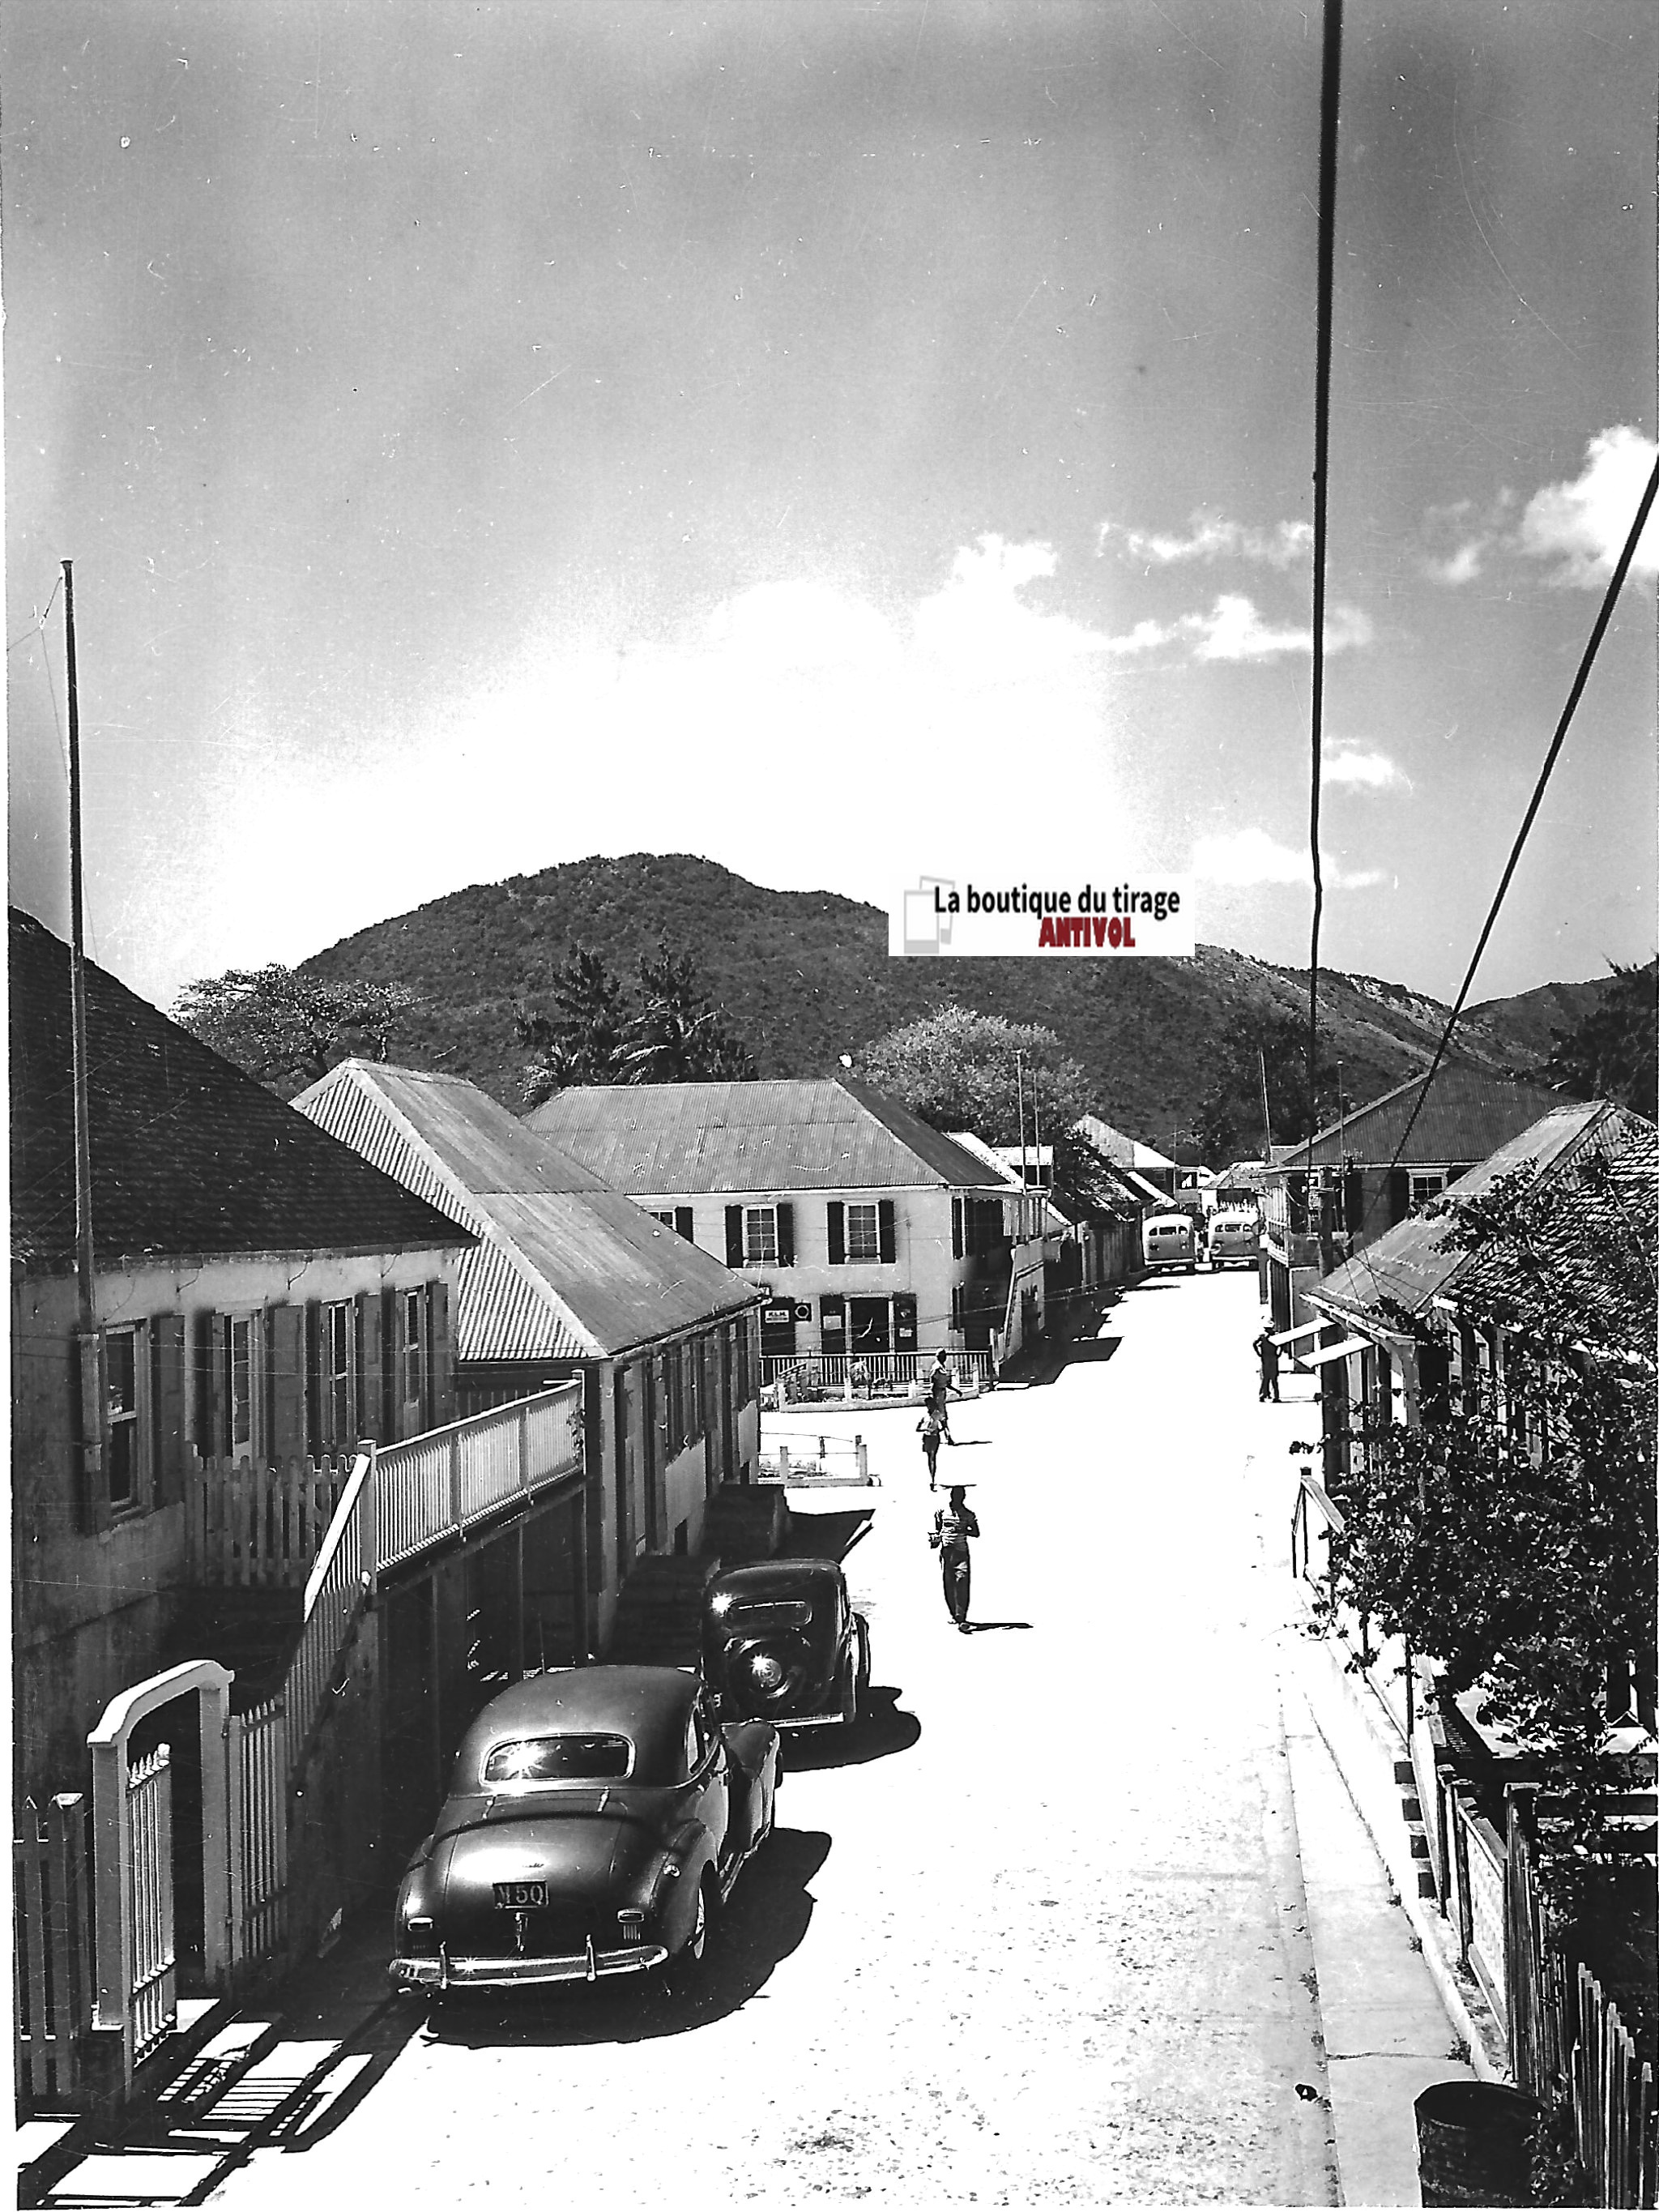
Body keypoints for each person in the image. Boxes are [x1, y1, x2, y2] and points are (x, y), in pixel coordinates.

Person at [928, 1484, 979, 1631]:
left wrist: (964, 1530)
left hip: (961, 1552)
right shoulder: (942, 1512)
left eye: (960, 1497)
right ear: (951, 1496)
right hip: (947, 1552)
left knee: (962, 1581)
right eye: (955, 1496)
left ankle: (961, 1616)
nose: (957, 1499)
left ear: (963, 1498)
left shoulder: (968, 1515)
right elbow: (939, 1530)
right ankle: (954, 1614)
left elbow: (976, 1533)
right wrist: (935, 1538)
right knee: (949, 1584)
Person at [917, 1405, 945, 1488]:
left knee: (932, 1458)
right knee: (930, 1458)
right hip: (927, 1438)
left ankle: (932, 1479)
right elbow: (917, 1429)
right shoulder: (925, 1417)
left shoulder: (938, 1415)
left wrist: (938, 1430)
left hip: (935, 1438)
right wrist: (926, 1429)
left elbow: (944, 1426)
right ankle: (932, 1476)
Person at [1253, 1326, 1282, 1403]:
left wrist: (1259, 1353)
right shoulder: (1274, 1336)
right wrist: (1279, 1354)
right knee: (1272, 1378)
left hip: (1267, 1359)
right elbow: (1282, 1345)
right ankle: (1273, 1396)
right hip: (1272, 1359)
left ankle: (1264, 1395)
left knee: (1266, 1378)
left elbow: (1254, 1344)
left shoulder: (1263, 1337)